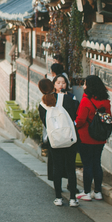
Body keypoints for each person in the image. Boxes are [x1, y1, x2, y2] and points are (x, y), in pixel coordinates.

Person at [37, 77, 79, 207]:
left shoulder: (42, 105)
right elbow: (75, 112)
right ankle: (72, 198)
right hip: (69, 139)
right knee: (71, 167)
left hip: (54, 140)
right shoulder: (66, 99)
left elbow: (45, 123)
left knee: (57, 167)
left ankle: (58, 198)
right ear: (53, 86)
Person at [75, 75, 111, 201]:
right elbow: (108, 118)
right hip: (100, 137)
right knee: (97, 163)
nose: (83, 86)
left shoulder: (86, 101)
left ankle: (86, 192)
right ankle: (98, 191)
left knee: (87, 164)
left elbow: (80, 120)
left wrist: (74, 124)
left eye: (85, 84)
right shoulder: (106, 101)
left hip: (86, 137)